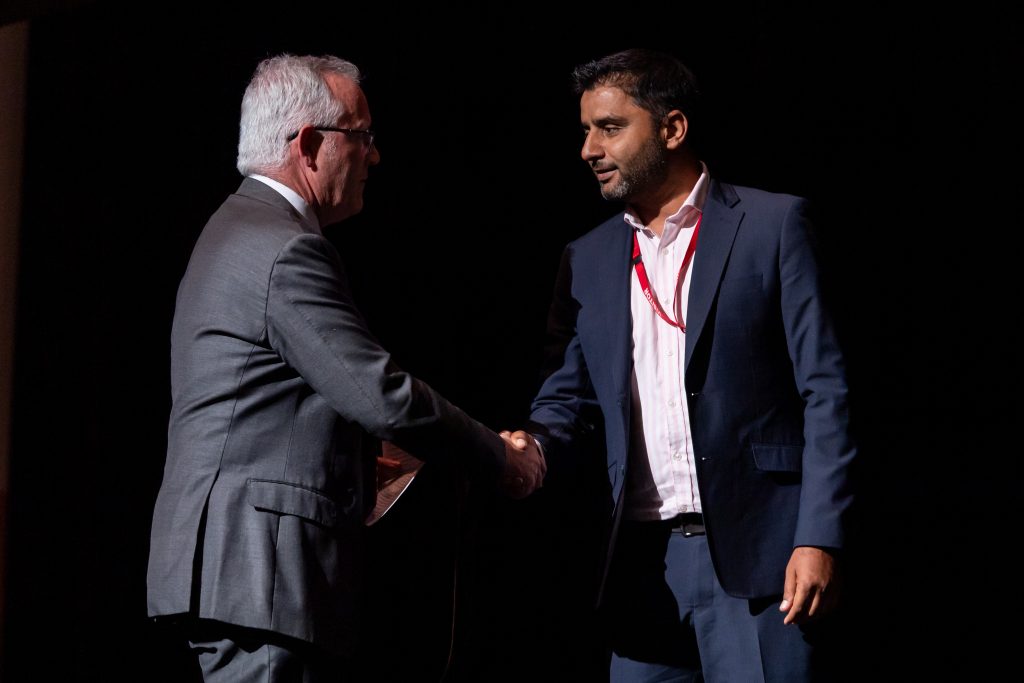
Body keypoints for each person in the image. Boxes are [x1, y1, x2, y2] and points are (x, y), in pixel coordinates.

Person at [146, 53, 545, 682]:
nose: (374, 156)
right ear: (309, 144)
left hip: (238, 569)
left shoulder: (235, 228)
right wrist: (498, 456)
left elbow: (265, 407)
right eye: (362, 136)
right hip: (260, 571)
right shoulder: (282, 247)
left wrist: (360, 461)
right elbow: (381, 395)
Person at [509, 48, 857, 681]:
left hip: (762, 557)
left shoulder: (773, 225)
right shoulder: (588, 257)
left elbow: (826, 392)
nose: (589, 149)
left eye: (609, 128)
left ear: (672, 129)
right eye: (585, 130)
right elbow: (567, 401)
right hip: (642, 570)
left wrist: (819, 536)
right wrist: (529, 446)